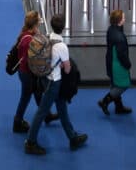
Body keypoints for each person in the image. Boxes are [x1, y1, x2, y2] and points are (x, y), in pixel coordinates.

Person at [24, 14, 88, 156]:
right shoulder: (61, 46)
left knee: (62, 108)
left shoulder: (46, 37)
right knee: (42, 112)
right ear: (63, 28)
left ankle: (72, 137)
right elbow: (67, 68)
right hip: (54, 82)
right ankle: (30, 142)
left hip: (45, 78)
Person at [12, 11, 45, 134]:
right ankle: (17, 122)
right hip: (27, 73)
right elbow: (30, 60)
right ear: (35, 24)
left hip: (24, 72)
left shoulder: (25, 35)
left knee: (36, 93)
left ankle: (45, 114)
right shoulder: (29, 40)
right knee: (25, 97)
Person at [99, 9, 133, 116]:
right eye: (123, 17)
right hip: (118, 65)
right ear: (119, 20)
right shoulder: (119, 36)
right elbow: (122, 55)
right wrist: (128, 65)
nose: (125, 19)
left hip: (111, 62)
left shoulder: (111, 29)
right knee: (123, 85)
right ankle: (105, 101)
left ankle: (119, 107)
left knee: (115, 84)